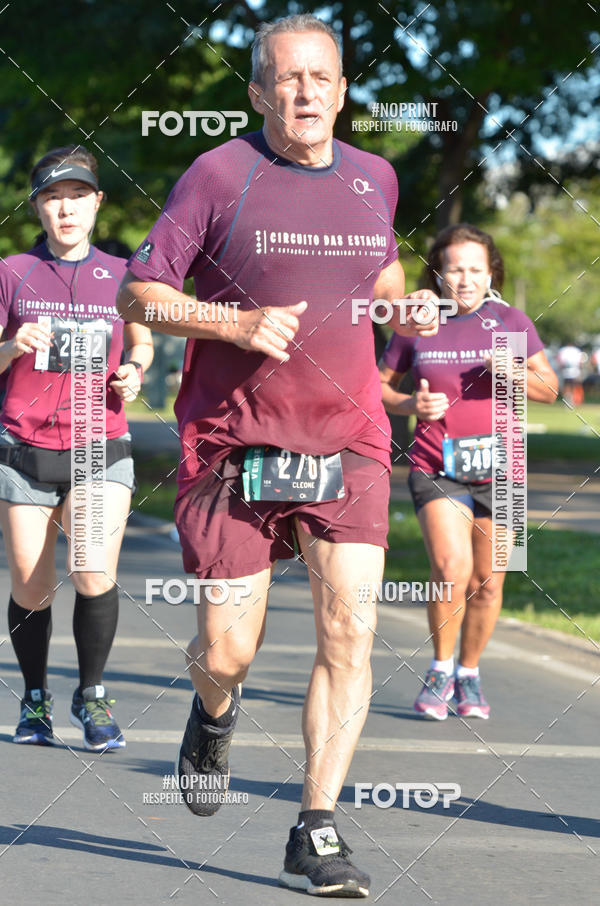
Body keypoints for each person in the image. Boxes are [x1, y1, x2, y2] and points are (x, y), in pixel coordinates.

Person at [117, 14, 437, 898]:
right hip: (234, 442)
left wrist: (399, 312)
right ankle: (212, 712)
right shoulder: (220, 173)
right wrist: (235, 323)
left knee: (350, 630)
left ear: (342, 90)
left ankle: (317, 826)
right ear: (259, 92)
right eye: (287, 79)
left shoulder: (377, 179)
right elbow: (138, 290)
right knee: (227, 650)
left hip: (353, 439)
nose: (306, 93)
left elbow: (379, 275)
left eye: (322, 78)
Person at [0, 145, 153, 751]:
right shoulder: (11, 272)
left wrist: (135, 371)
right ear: (37, 208)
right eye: (51, 199)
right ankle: (35, 698)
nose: (64, 210)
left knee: (90, 571)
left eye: (75, 197)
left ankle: (92, 694)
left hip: (99, 442)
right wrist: (13, 345)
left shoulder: (123, 274)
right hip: (25, 444)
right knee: (32, 586)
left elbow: (140, 338)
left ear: (96, 203)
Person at [379, 224, 557, 721]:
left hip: (507, 471)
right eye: (455, 268)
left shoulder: (513, 320)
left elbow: (550, 388)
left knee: (491, 581)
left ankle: (470, 674)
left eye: (475, 268)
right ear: (439, 271)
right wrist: (409, 401)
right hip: (436, 464)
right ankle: (440, 667)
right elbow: (377, 387)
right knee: (451, 570)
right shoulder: (418, 323)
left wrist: (513, 371)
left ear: (491, 272)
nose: (465, 278)